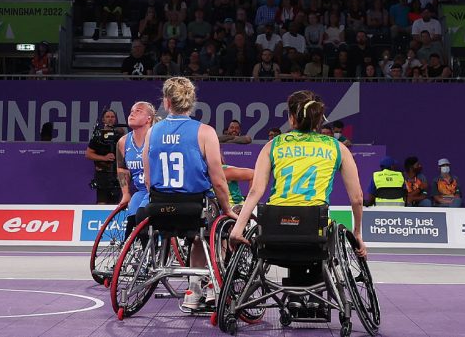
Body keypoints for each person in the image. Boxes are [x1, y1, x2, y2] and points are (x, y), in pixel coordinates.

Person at [231, 90, 367, 282]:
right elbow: (357, 198)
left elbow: (255, 191)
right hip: (314, 229)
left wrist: (238, 228)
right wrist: (358, 233)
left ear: (292, 118)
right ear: (319, 119)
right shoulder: (337, 147)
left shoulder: (273, 145)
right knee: (325, 239)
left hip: (274, 228)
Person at [143, 77, 235, 313]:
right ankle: (211, 286)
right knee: (218, 230)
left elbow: (147, 179)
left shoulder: (152, 131)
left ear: (166, 102)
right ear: (192, 102)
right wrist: (228, 210)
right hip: (195, 207)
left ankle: (193, 293)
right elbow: (218, 180)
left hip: (159, 207)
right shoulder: (205, 132)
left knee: (199, 233)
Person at [116, 101, 156, 233]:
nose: (132, 113)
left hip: (156, 191)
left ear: (148, 119)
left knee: (141, 220)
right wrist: (126, 193)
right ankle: (136, 253)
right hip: (141, 191)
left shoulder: (157, 138)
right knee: (130, 226)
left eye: (138, 111)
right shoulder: (123, 142)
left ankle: (152, 252)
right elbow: (122, 169)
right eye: (131, 111)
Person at [86, 109, 126, 205]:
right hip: (103, 174)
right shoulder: (98, 135)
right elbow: (88, 154)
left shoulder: (120, 134)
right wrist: (104, 158)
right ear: (103, 120)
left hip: (117, 174)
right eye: (107, 117)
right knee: (101, 203)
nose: (110, 119)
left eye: (112, 117)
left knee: (116, 204)